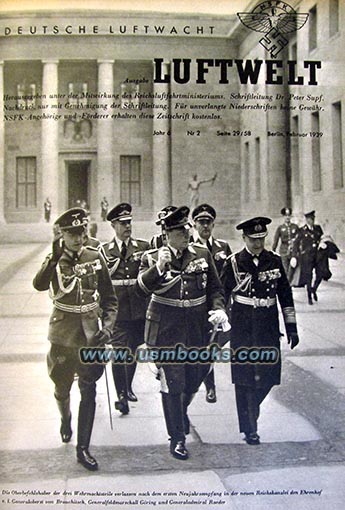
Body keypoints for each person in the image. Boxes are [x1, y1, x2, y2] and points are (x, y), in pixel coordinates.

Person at [136, 206, 227, 460]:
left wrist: (219, 310)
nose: (186, 234)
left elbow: (215, 290)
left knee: (195, 376)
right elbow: (140, 290)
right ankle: (177, 438)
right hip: (166, 329)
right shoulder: (152, 257)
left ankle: (179, 411)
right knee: (173, 382)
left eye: (187, 228)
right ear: (167, 234)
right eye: (179, 230)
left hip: (197, 328)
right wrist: (159, 267)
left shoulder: (201, 253)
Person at [33, 207, 117, 471]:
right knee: (62, 387)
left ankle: (83, 448)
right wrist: (52, 259)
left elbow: (110, 299)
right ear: (62, 235)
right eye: (72, 234)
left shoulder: (95, 257)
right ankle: (65, 418)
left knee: (89, 389)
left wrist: (108, 328)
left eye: (81, 233)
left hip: (91, 337)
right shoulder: (55, 260)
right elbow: (38, 284)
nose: (78, 239)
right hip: (62, 336)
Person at [221, 216, 299, 445]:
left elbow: (285, 295)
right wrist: (219, 323)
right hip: (243, 325)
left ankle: (249, 412)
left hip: (267, 325)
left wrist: (291, 328)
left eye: (261, 238)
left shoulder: (274, 260)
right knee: (244, 377)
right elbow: (223, 295)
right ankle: (250, 428)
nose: (258, 243)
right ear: (243, 238)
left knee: (268, 376)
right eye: (253, 239)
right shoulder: (234, 262)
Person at [99, 203, 149, 414]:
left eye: (129, 222)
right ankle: (121, 396)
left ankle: (127, 386)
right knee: (119, 352)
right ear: (113, 225)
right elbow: (101, 283)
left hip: (138, 308)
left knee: (135, 348)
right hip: (117, 310)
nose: (127, 227)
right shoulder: (104, 251)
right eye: (122, 223)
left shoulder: (143, 247)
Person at [191, 203, 232, 403]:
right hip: (197, 305)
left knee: (212, 346)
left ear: (213, 225)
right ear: (194, 225)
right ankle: (208, 386)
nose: (205, 226)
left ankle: (208, 384)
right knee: (201, 346)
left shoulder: (222, 247)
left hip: (218, 306)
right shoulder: (189, 247)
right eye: (201, 222)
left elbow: (231, 277)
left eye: (208, 223)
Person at [290, 210, 323, 305]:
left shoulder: (318, 229)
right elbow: (296, 244)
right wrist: (294, 256)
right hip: (306, 257)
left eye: (312, 219)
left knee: (320, 274)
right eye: (308, 219)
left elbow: (322, 238)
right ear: (306, 220)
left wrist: (323, 244)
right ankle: (309, 297)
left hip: (317, 256)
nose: (310, 221)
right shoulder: (302, 230)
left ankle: (314, 289)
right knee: (309, 276)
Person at [272, 207, 299, 280]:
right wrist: (273, 250)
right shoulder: (280, 228)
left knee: (292, 269)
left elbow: (299, 239)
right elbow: (276, 240)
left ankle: (289, 283)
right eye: (286, 215)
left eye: (289, 215)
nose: (287, 217)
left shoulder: (295, 227)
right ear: (283, 217)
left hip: (293, 251)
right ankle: (287, 286)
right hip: (284, 251)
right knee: (285, 269)